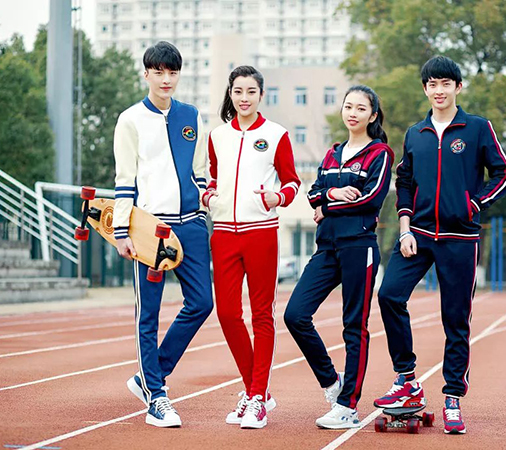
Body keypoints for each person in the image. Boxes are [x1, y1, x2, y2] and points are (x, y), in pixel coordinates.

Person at [374, 55, 506, 434]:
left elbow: (503, 172)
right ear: (425, 89)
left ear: (458, 87)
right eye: (432, 84)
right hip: (417, 234)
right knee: (389, 295)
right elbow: (404, 182)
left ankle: (453, 398)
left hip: (460, 238)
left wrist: (474, 203)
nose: (439, 90)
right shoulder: (415, 134)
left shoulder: (477, 128)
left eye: (445, 84)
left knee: (455, 319)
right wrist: (405, 228)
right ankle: (406, 378)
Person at [112, 41, 213, 428]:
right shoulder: (130, 120)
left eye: (172, 72)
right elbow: (125, 180)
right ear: (147, 75)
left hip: (191, 224)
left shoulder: (191, 116)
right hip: (150, 230)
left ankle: (149, 374)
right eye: (159, 72)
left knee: (201, 303)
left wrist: (205, 203)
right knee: (149, 314)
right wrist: (122, 230)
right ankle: (156, 396)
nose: (166, 79)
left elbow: (200, 171)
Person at [284, 85, 393, 429]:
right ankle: (332, 382)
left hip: (359, 247)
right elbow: (312, 194)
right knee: (295, 314)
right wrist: (331, 193)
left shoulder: (380, 154)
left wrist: (327, 206)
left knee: (354, 325)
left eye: (361, 108)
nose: (353, 113)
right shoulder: (332, 154)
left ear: (372, 116)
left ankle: (347, 406)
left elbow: (371, 199)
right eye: (348, 106)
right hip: (326, 248)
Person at [203, 65, 300, 429]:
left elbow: (292, 181)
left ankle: (257, 397)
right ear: (230, 94)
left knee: (262, 315)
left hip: (261, 233)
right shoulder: (217, 136)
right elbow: (212, 178)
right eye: (238, 91)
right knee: (227, 314)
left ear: (261, 95)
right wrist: (209, 196)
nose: (244, 98)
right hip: (224, 233)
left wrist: (278, 197)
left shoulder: (276, 134)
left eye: (251, 91)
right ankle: (256, 390)